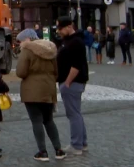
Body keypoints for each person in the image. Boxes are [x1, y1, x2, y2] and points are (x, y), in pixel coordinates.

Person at [15, 29, 66, 162]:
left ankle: (42, 152)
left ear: (27, 39)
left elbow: (20, 72)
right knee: (49, 120)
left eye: (21, 41)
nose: (20, 44)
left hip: (32, 90)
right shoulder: (51, 49)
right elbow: (56, 72)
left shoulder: (27, 51)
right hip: (48, 89)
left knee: (36, 120)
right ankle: (59, 149)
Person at [56, 16, 89, 156]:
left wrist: (67, 83)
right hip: (70, 82)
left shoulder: (75, 42)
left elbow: (76, 66)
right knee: (76, 113)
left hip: (72, 82)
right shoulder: (68, 41)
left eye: (61, 28)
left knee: (73, 114)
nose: (59, 31)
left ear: (69, 26)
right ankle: (82, 142)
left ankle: (76, 145)